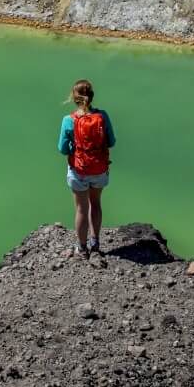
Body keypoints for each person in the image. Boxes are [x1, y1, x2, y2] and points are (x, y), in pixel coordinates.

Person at [57, 78, 115, 260]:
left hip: (78, 170)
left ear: (74, 98)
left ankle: (82, 249)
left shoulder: (69, 120)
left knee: (81, 208)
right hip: (99, 169)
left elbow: (62, 149)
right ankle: (95, 243)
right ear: (91, 97)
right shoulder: (103, 116)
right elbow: (112, 142)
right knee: (96, 204)